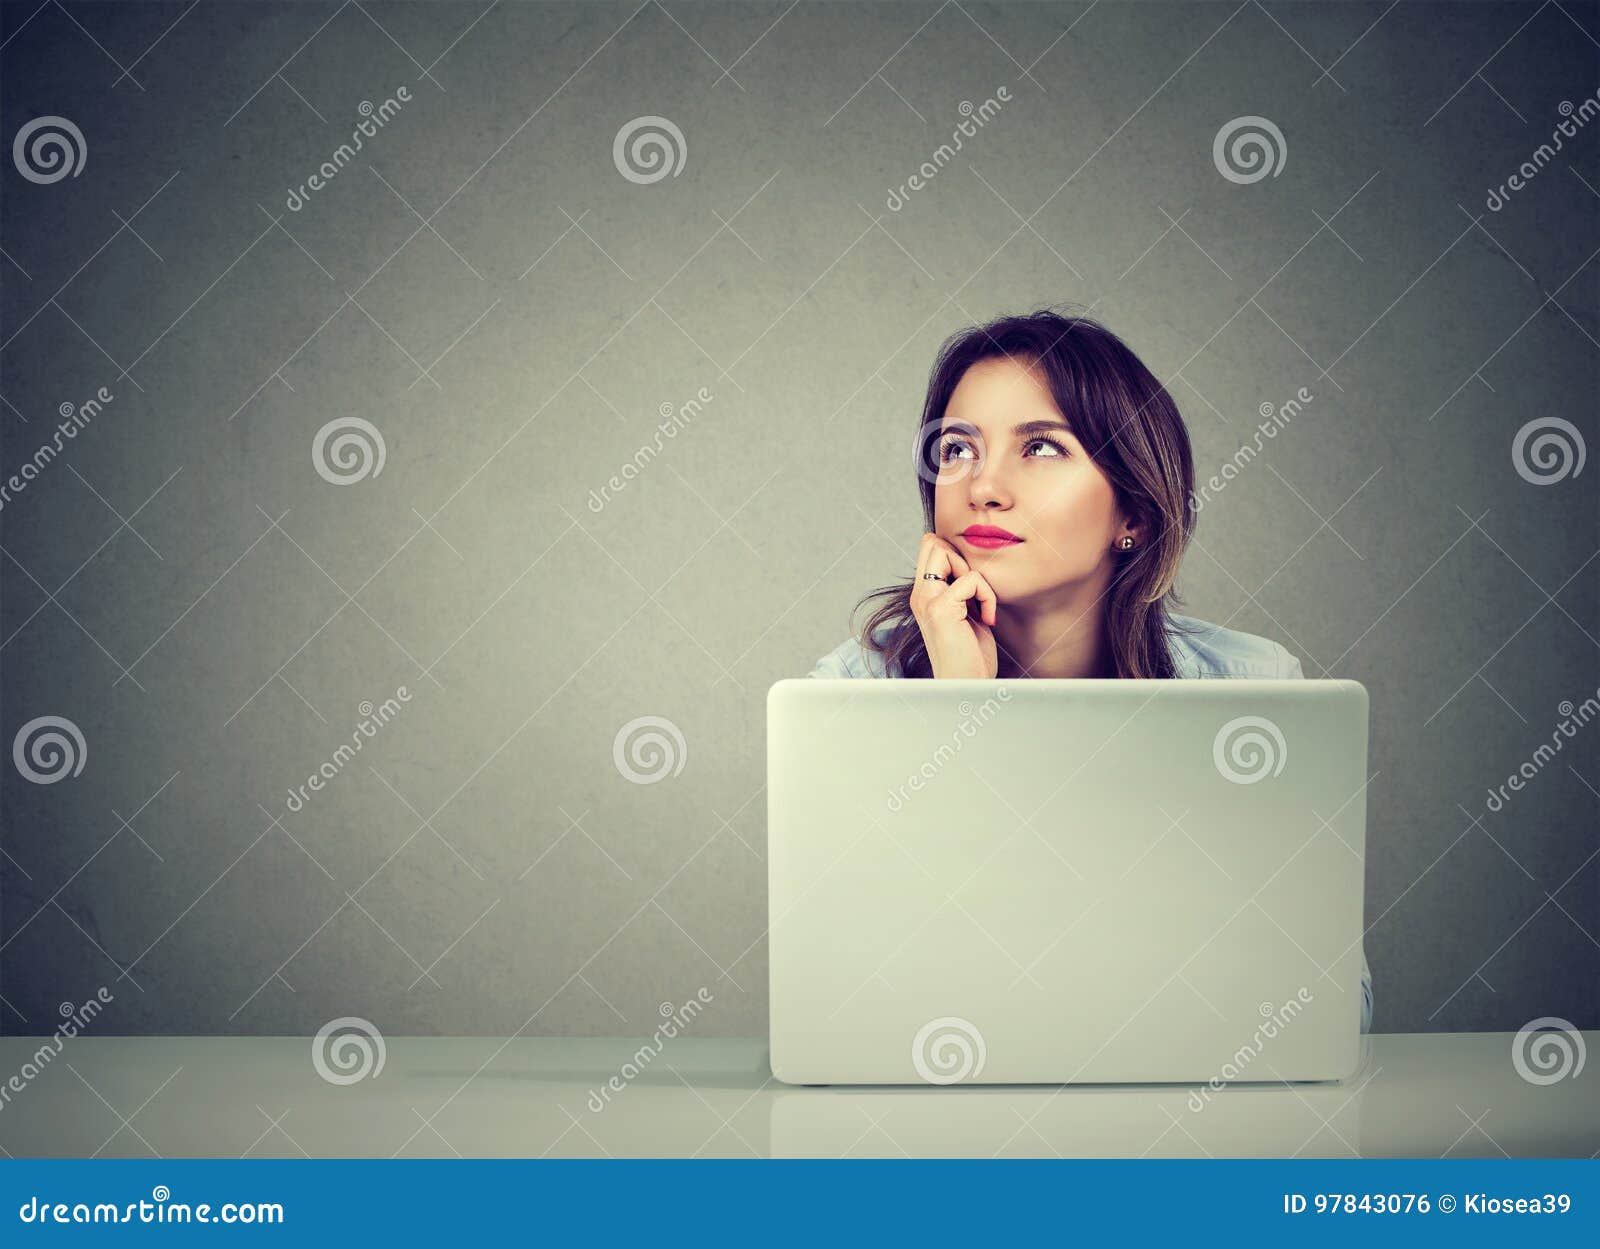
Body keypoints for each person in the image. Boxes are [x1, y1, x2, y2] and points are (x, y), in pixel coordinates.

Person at [808, 306, 1372, 1033]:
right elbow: (855, 1006)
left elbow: (1333, 1010)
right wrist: (962, 714)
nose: (983, 485)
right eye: (956, 449)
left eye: (1040, 447)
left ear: (1131, 511)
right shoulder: (849, 694)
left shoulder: (1253, 690)